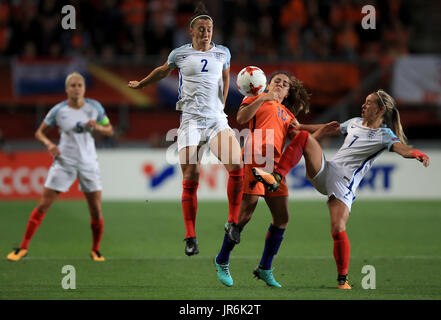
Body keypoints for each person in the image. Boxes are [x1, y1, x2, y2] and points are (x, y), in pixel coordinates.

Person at [253, 89, 430, 289]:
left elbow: (402, 149)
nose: (364, 105)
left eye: (369, 103)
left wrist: (416, 154)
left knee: (338, 228)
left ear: (381, 109)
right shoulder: (354, 122)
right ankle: (276, 177)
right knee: (303, 136)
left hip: (344, 184)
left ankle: (342, 280)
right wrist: (303, 125)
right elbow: (329, 129)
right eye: (364, 101)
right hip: (326, 170)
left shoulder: (384, 135)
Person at [128, 2, 243, 256]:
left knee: (237, 166)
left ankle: (233, 223)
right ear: (191, 32)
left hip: (215, 121)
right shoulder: (180, 54)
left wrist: (222, 105)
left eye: (209, 28)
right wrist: (143, 84)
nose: (206, 32)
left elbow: (226, 76)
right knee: (190, 177)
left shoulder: (223, 53)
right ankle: (191, 236)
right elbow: (162, 71)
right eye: (201, 28)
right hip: (190, 121)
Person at [213, 71, 339, 287]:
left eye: (285, 83)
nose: (281, 84)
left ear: (289, 91)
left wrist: (323, 129)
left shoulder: (287, 115)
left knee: (282, 218)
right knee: (244, 216)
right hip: (254, 160)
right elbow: (241, 119)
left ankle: (264, 268)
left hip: (275, 168)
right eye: (277, 81)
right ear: (267, 85)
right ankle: (222, 260)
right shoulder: (255, 97)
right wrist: (263, 97)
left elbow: (302, 141)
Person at [7, 72, 114, 262]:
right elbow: (39, 133)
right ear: (66, 89)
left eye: (79, 85)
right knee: (43, 204)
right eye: (72, 85)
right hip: (64, 162)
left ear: (84, 88)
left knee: (96, 210)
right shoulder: (59, 110)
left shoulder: (94, 107)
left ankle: (96, 249)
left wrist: (98, 127)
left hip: (88, 162)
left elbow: (110, 129)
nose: (76, 88)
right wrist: (49, 144)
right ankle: (23, 247)